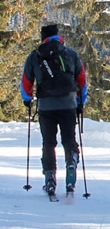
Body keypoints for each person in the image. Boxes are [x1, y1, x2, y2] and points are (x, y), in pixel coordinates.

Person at [20, 24, 87, 196]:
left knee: (48, 143)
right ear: (58, 37)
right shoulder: (70, 54)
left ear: (43, 38)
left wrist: (27, 100)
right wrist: (80, 101)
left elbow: (26, 81)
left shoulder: (35, 56)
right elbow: (81, 79)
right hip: (68, 104)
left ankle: (50, 178)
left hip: (46, 106)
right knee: (68, 140)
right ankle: (71, 161)